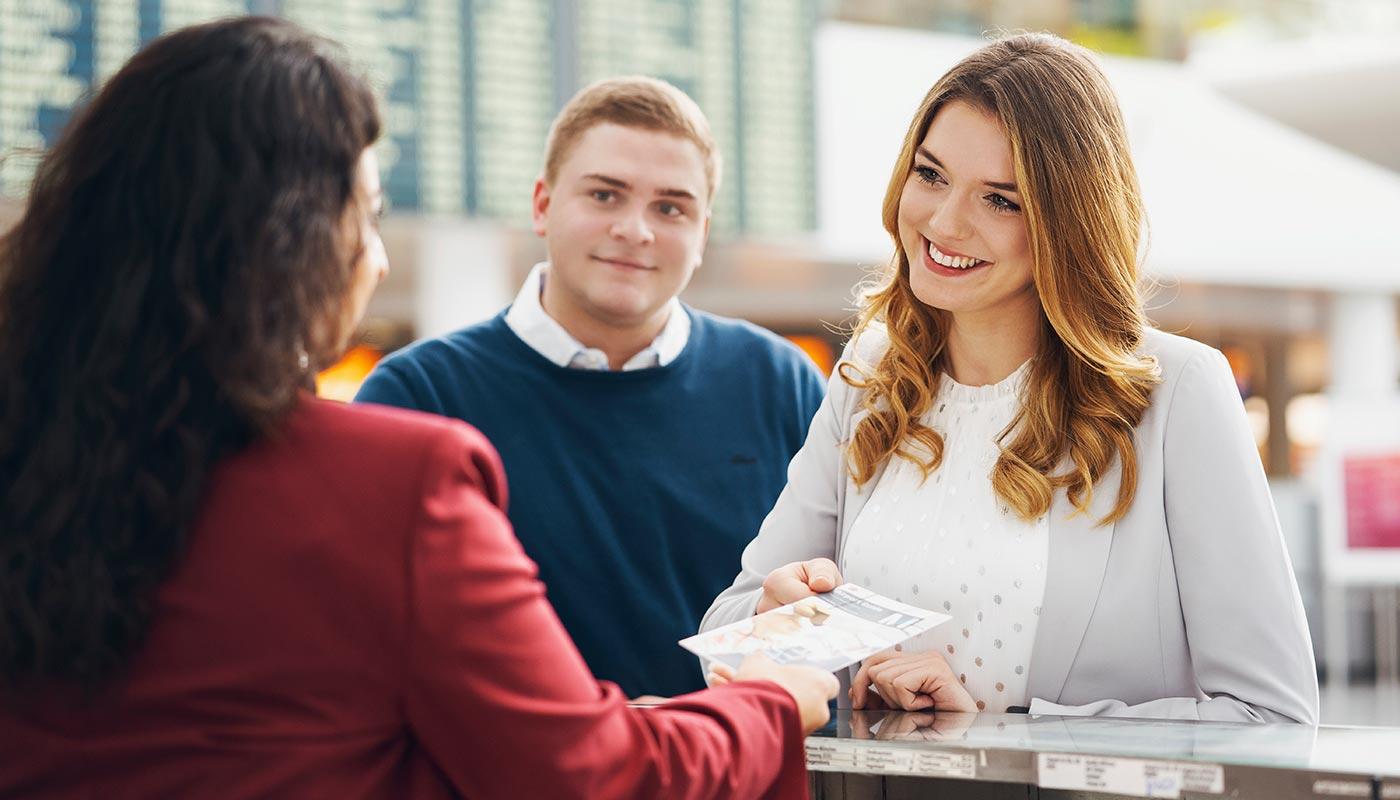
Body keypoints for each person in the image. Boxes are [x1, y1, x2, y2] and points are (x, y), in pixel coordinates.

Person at [0, 17, 837, 798]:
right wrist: (765, 702)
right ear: (288, 245)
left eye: (671, 207)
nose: (371, 257)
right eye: (365, 216)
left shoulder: (34, 448)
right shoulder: (400, 464)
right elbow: (582, 770)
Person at [701, 32, 1319, 724]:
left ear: (1067, 221)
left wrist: (1007, 727)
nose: (942, 221)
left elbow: (1271, 715)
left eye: (1000, 200)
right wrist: (775, 616)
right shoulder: (872, 376)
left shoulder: (1176, 392)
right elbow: (726, 635)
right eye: (930, 174)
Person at [354, 76, 826, 698]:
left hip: (741, 775)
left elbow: (833, 598)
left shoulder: (780, 381)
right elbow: (371, 637)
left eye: (671, 207)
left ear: (703, 231)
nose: (636, 229)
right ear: (543, 204)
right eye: (605, 195)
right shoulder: (419, 396)